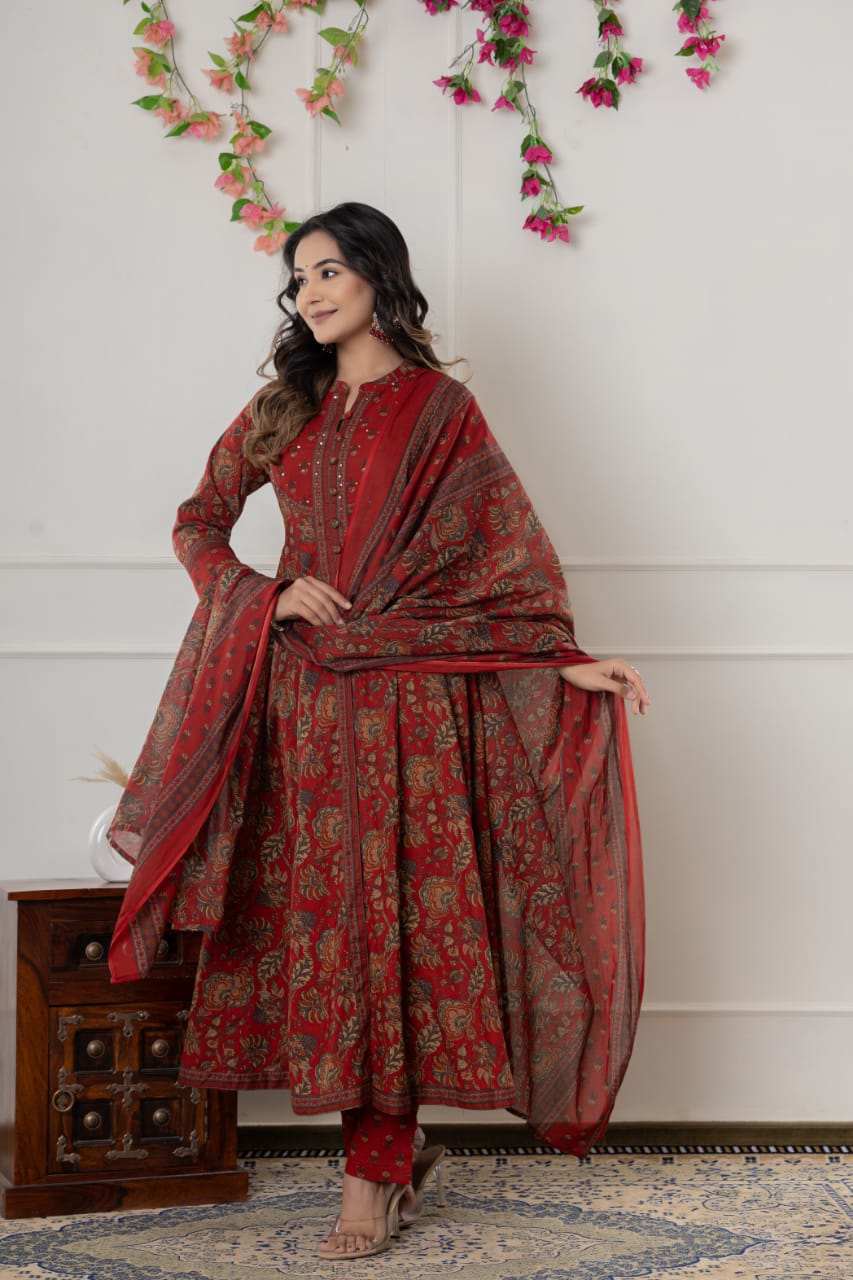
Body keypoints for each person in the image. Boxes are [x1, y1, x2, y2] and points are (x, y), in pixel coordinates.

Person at [107, 201, 649, 1261]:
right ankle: (386, 1155)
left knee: (395, 926)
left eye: (326, 271)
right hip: (303, 708)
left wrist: (559, 661)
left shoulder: (442, 410)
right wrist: (266, 593)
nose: (308, 293)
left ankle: (376, 1168)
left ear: (375, 276)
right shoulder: (282, 409)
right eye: (296, 279)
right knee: (330, 931)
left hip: (415, 711)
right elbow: (196, 521)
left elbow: (503, 562)